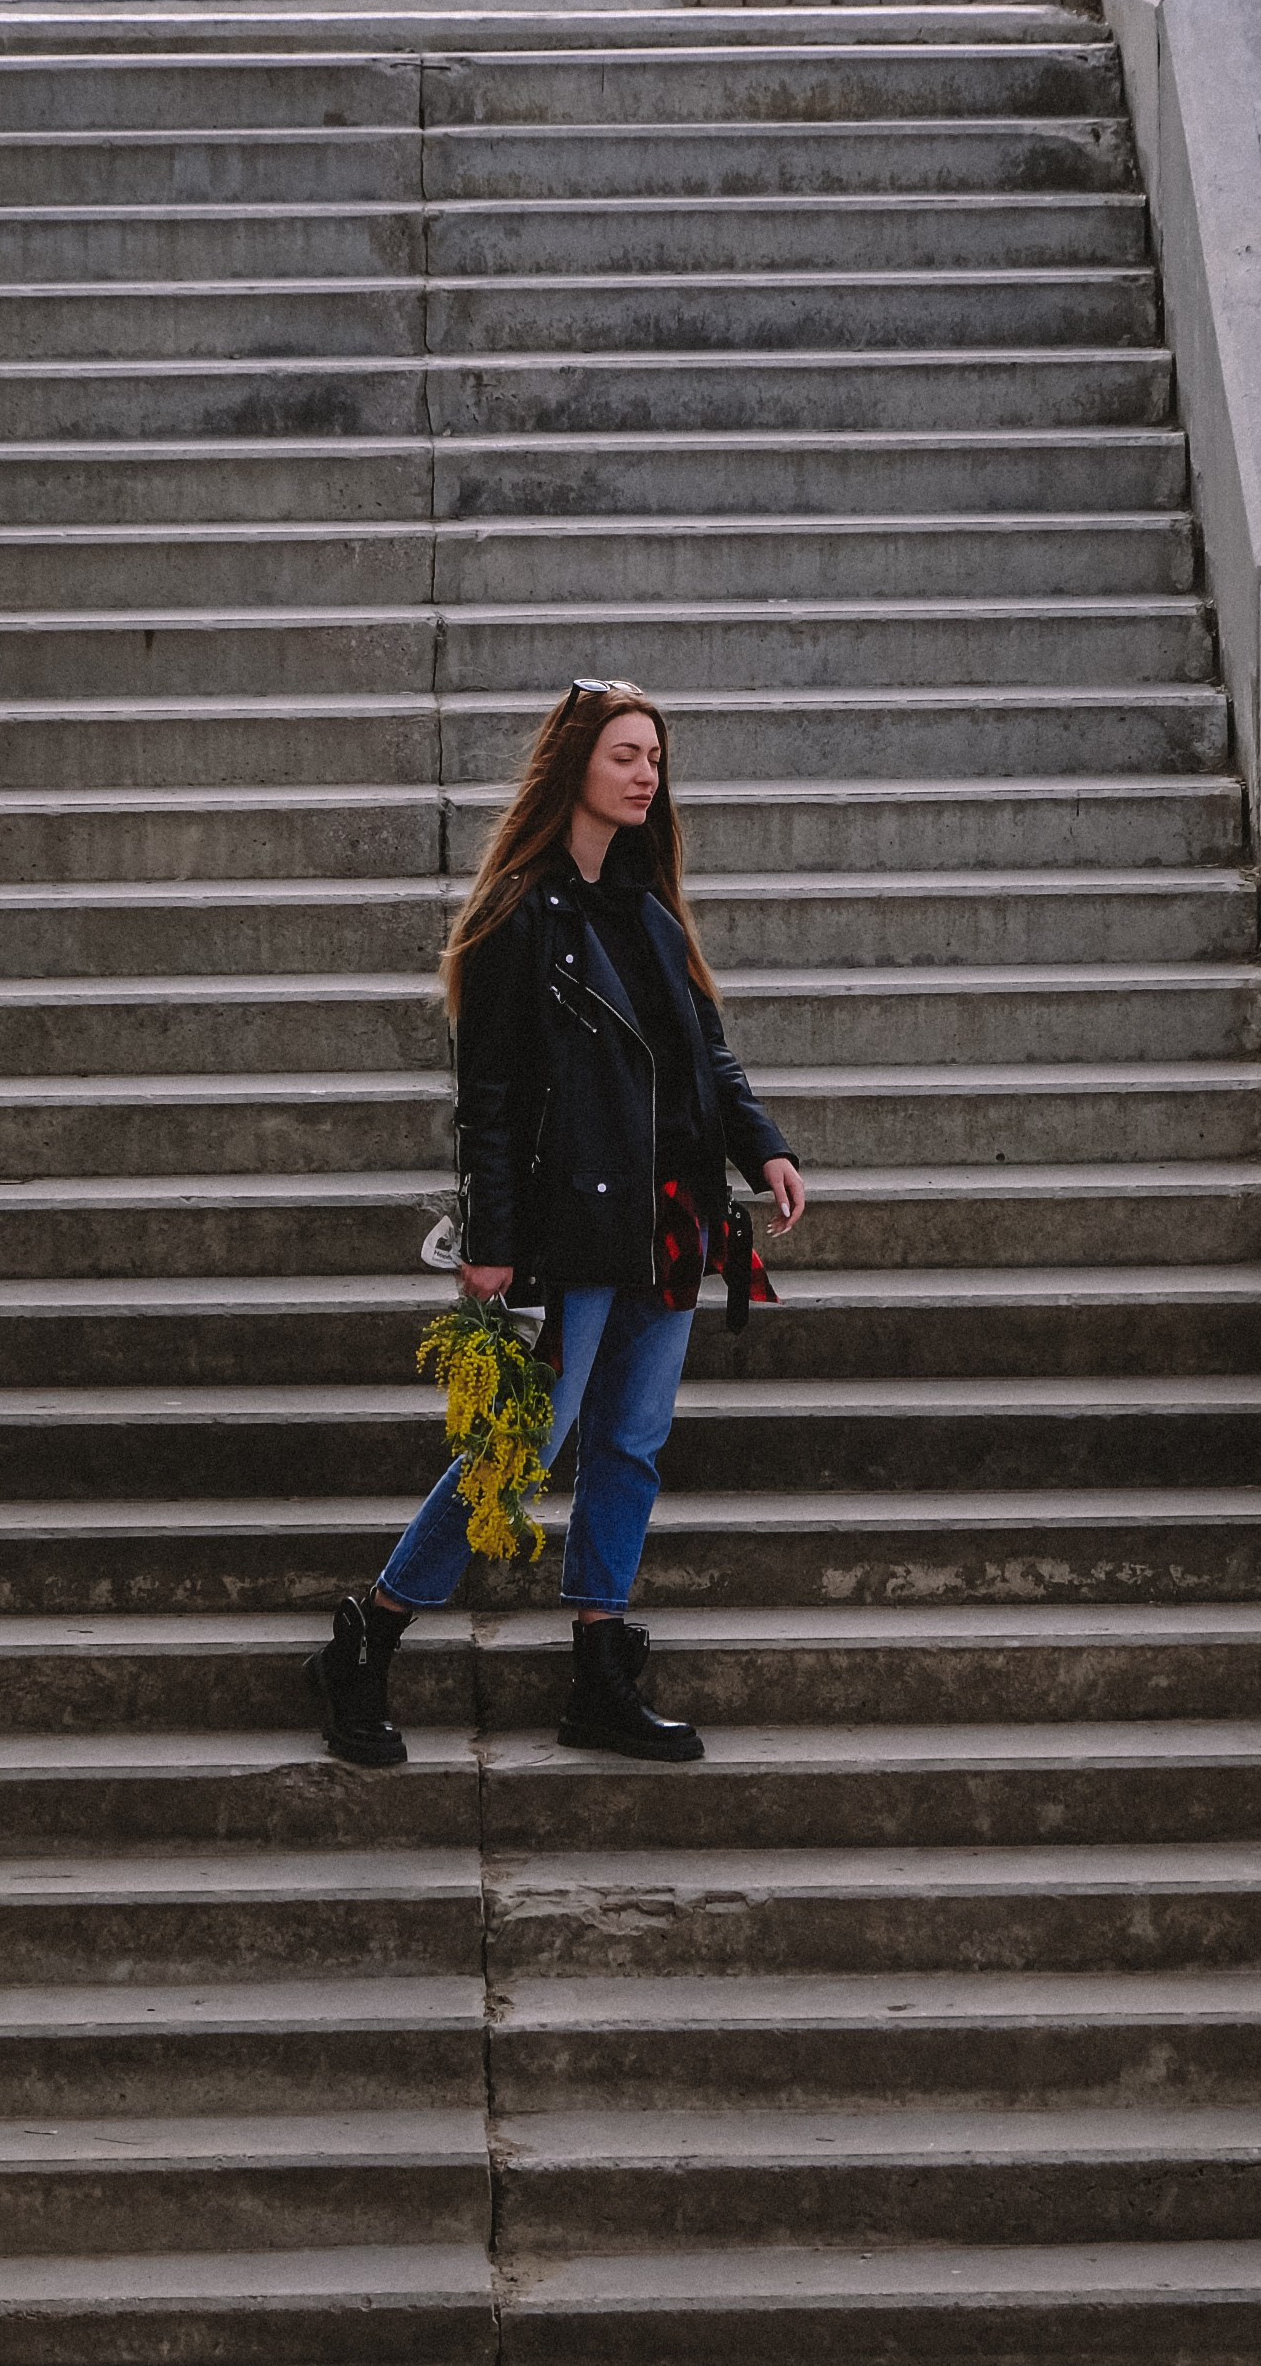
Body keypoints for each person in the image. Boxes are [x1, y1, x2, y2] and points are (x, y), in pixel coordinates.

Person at [307, 680, 805, 1770]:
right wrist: (490, 1239)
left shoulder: (648, 909)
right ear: (575, 762)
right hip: (568, 1227)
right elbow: (483, 1099)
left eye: (655, 760)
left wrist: (761, 1144)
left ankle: (597, 1666)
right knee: (516, 1448)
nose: (644, 775)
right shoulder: (516, 916)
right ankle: (368, 1636)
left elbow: (706, 1059)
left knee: (629, 1445)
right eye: (626, 754)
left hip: (672, 1221)